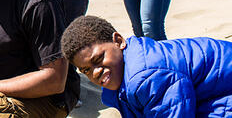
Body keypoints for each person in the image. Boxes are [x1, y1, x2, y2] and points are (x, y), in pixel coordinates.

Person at [62, 15, 232, 118]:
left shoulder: (146, 76)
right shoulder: (124, 70)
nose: (96, 72)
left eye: (99, 59)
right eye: (86, 70)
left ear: (119, 41)